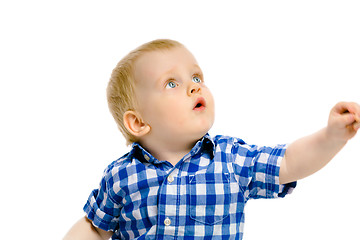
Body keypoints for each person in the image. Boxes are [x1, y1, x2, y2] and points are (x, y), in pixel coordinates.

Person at [64, 39, 360, 240]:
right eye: (171, 83)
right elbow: (95, 229)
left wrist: (332, 136)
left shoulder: (230, 159)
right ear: (138, 122)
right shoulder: (121, 175)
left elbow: (290, 161)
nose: (194, 87)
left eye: (196, 77)